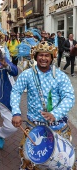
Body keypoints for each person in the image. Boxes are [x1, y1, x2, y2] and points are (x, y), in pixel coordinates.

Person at [10, 41, 75, 169]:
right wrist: (16, 112)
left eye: (47, 55)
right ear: (35, 56)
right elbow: (16, 92)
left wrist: (55, 114)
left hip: (58, 127)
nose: (43, 58)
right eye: (40, 55)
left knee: (62, 161)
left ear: (52, 57)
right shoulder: (27, 74)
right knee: (30, 161)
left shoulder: (60, 76)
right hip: (34, 127)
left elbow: (69, 97)